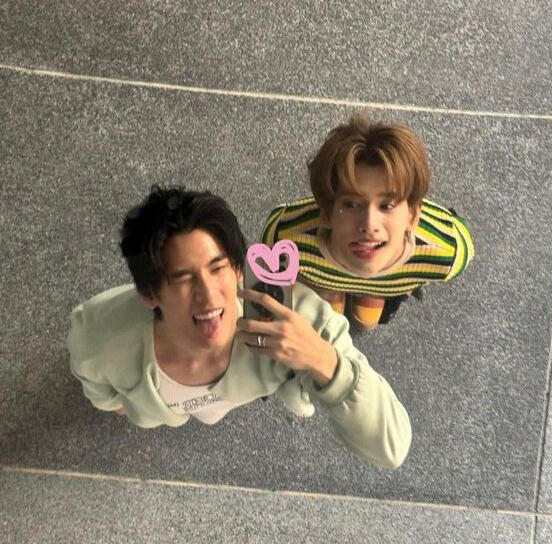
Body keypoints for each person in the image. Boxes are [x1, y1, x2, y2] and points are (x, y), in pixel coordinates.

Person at [67, 186, 411, 469]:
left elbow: (391, 448)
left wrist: (323, 360)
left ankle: (291, 386)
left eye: (218, 268)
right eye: (183, 279)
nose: (208, 295)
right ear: (148, 294)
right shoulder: (99, 340)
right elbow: (97, 385)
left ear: (238, 270)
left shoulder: (297, 318)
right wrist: (120, 404)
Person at [261, 113, 474, 329]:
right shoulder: (286, 240)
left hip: (388, 280)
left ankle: (373, 289)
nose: (369, 225)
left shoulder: (447, 252)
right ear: (325, 212)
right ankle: (330, 286)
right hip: (321, 272)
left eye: (387, 205)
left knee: (355, 320)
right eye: (351, 204)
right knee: (352, 318)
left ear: (412, 216)